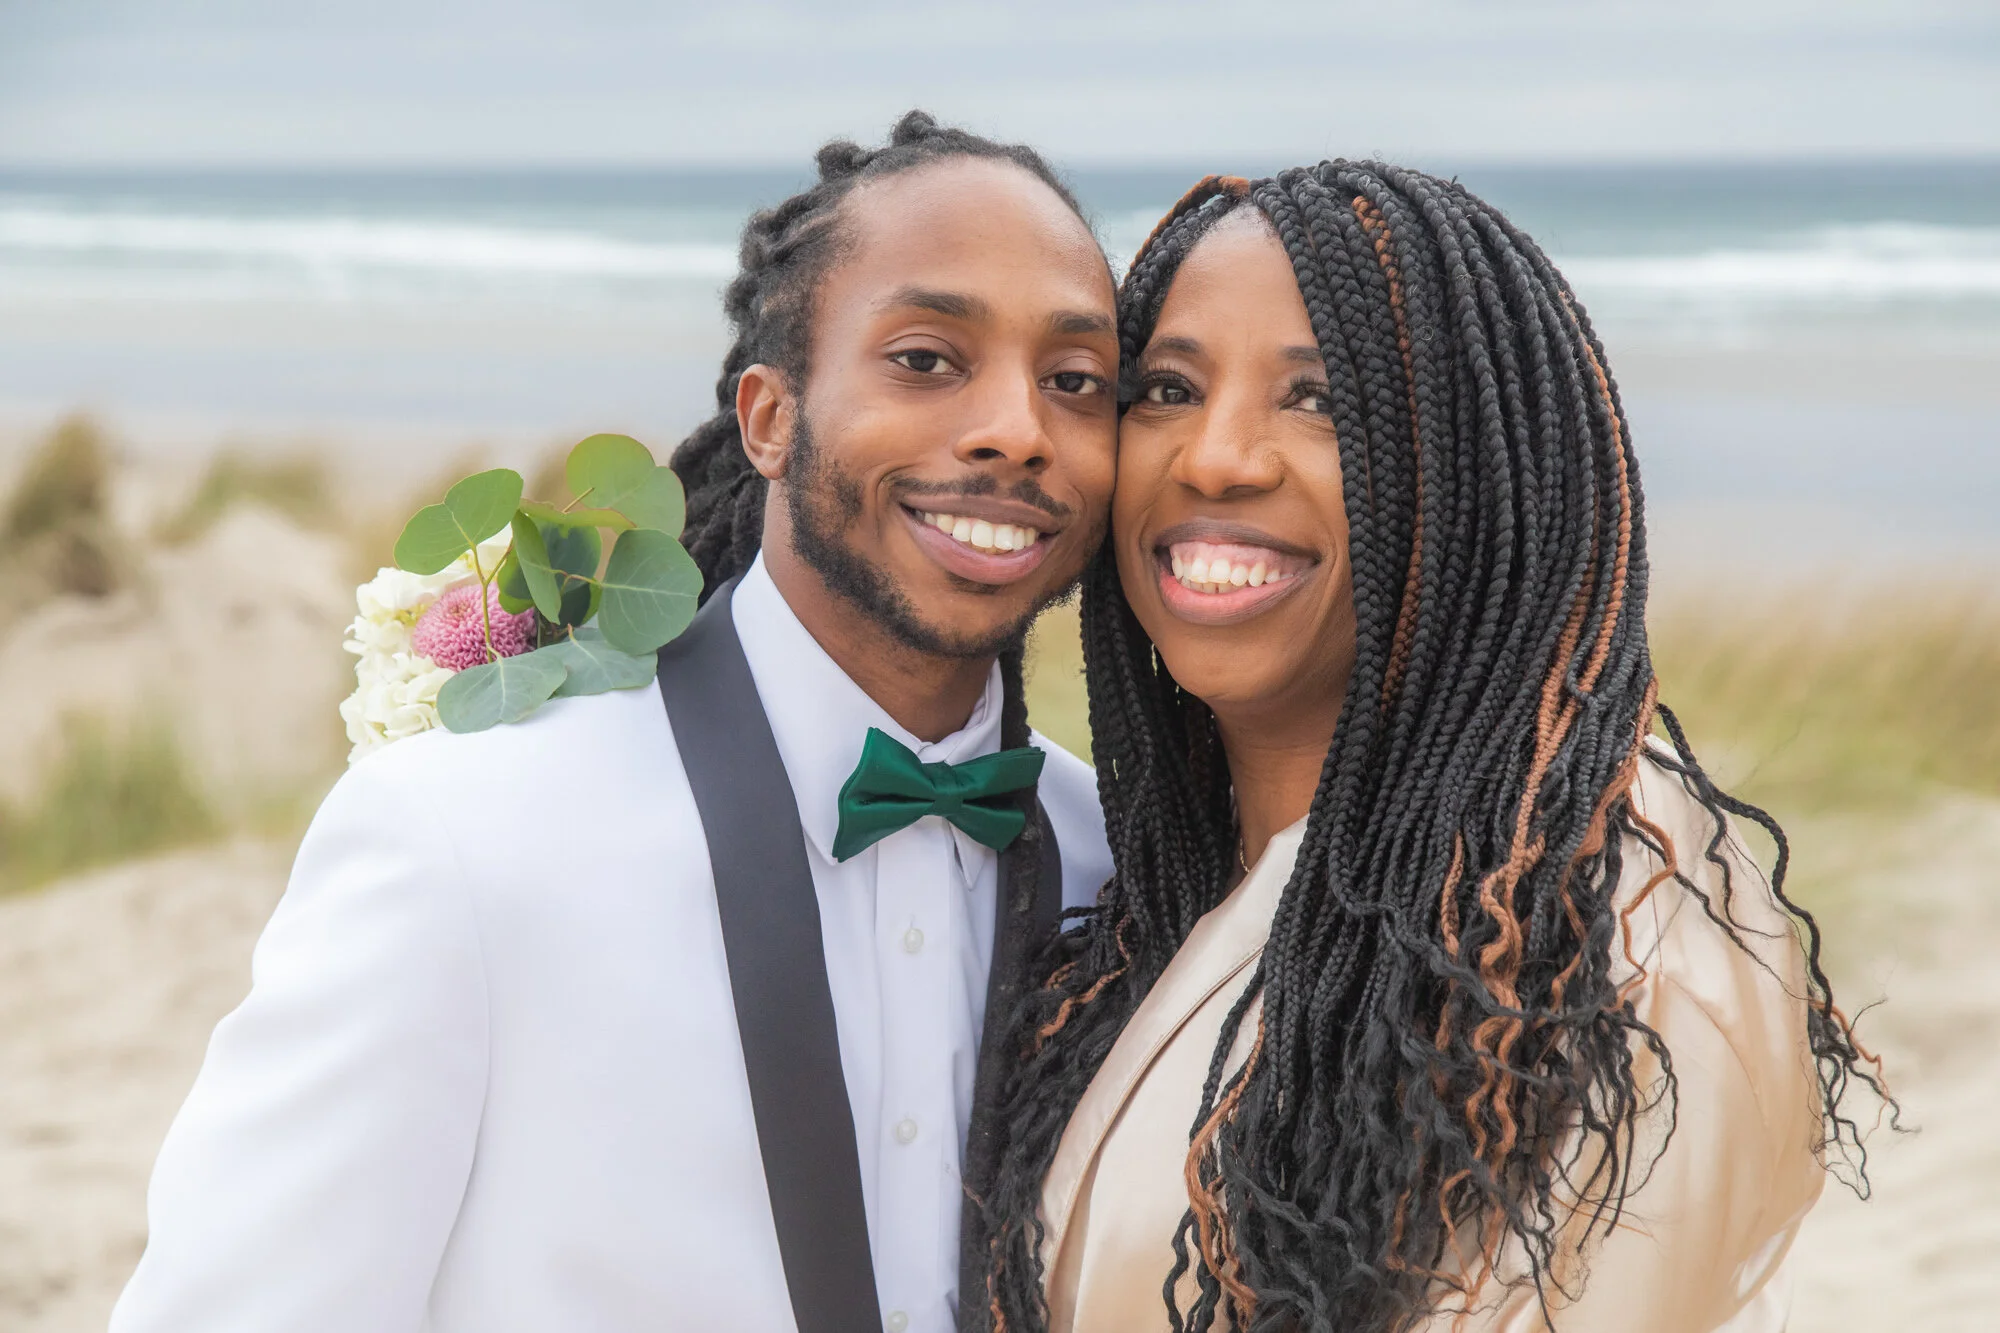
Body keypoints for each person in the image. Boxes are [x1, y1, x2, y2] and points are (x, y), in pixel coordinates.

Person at [112, 112, 1116, 1333]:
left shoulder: (1113, 858)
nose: (1016, 425)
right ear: (767, 417)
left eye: (1074, 382)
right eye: (925, 357)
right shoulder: (462, 834)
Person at [973, 168, 1885, 1332]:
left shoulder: (1594, 938)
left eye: (1322, 400)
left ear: (1479, 476)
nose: (1215, 457)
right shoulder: (1144, 884)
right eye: (1165, 388)